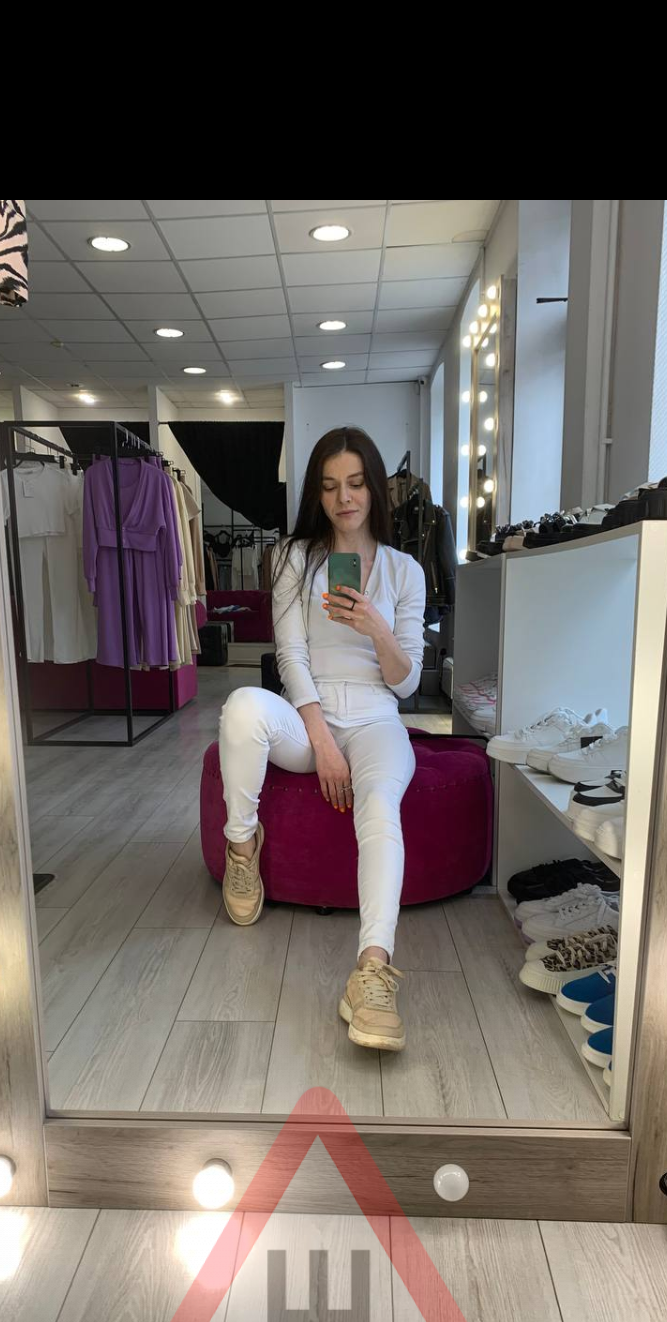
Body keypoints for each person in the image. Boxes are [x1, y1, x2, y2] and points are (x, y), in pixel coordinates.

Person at [217, 427, 426, 1052]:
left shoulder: (405, 570)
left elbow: (407, 681)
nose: (345, 499)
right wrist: (323, 741)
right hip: (308, 717)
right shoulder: (293, 558)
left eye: (356, 484)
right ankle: (241, 847)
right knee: (241, 707)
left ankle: (372, 971)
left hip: (378, 719)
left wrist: (376, 627)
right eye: (331, 486)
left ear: (374, 487)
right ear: (317, 493)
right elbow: (291, 654)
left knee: (380, 804)